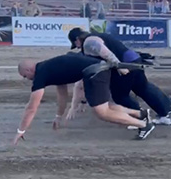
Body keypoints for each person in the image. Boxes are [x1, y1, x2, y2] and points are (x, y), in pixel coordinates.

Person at [13, 53, 156, 144]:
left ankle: (144, 125)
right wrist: (58, 116)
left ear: (28, 70)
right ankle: (141, 114)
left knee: (101, 112)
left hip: (95, 71)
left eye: (25, 76)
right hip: (97, 69)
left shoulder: (40, 75)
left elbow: (32, 107)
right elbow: (62, 94)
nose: (27, 79)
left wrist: (21, 131)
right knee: (102, 106)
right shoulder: (49, 68)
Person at [67, 27, 171, 125]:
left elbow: (107, 53)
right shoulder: (99, 35)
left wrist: (119, 66)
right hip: (134, 59)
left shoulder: (89, 43)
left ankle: (140, 118)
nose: (77, 47)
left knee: (120, 96)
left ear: (77, 39)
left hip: (125, 64)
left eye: (75, 44)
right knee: (143, 88)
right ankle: (164, 113)